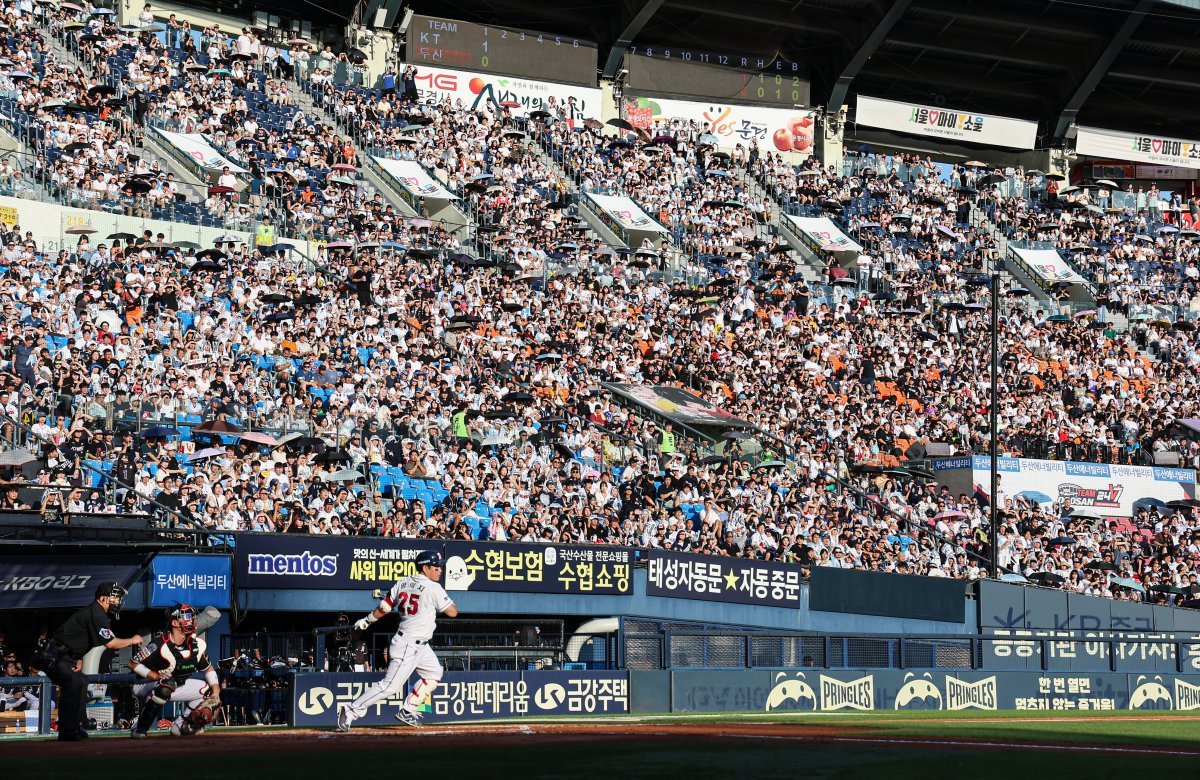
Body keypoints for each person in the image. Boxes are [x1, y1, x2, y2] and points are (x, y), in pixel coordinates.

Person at [337, 549, 457, 731]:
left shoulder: (403, 582)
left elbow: (385, 606)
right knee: (389, 687)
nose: (440, 570)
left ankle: (408, 710)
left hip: (420, 645)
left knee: (434, 674)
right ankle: (351, 710)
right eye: (436, 567)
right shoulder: (433, 588)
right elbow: (453, 612)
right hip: (408, 644)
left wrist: (367, 620)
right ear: (425, 568)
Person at [41, 582, 143, 741]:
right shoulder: (97, 614)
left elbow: (79, 637)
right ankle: (66, 730)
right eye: (114, 597)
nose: (117, 601)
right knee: (73, 683)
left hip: (65, 655)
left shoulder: (96, 612)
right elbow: (110, 643)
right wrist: (133, 639)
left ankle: (75, 725)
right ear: (103, 598)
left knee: (81, 680)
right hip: (53, 655)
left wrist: (77, 657)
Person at [128, 603, 221, 738]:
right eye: (187, 616)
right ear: (175, 622)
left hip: (174, 683)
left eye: (192, 616)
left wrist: (216, 690)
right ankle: (140, 729)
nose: (192, 619)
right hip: (144, 683)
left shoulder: (194, 645)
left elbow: (208, 668)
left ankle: (180, 726)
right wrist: (154, 675)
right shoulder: (158, 644)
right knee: (167, 685)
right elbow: (132, 663)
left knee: (207, 690)